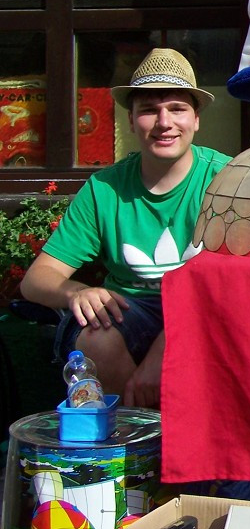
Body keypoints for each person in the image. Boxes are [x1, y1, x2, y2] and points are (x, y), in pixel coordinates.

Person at [20, 48, 230, 408]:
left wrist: (160, 355)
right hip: (133, 310)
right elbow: (36, 280)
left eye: (177, 108)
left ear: (196, 119)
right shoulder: (105, 189)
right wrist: (75, 292)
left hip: (206, 310)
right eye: (149, 110)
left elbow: (232, 282)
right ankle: (133, 451)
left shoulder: (228, 180)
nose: (165, 122)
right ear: (131, 121)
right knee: (96, 337)